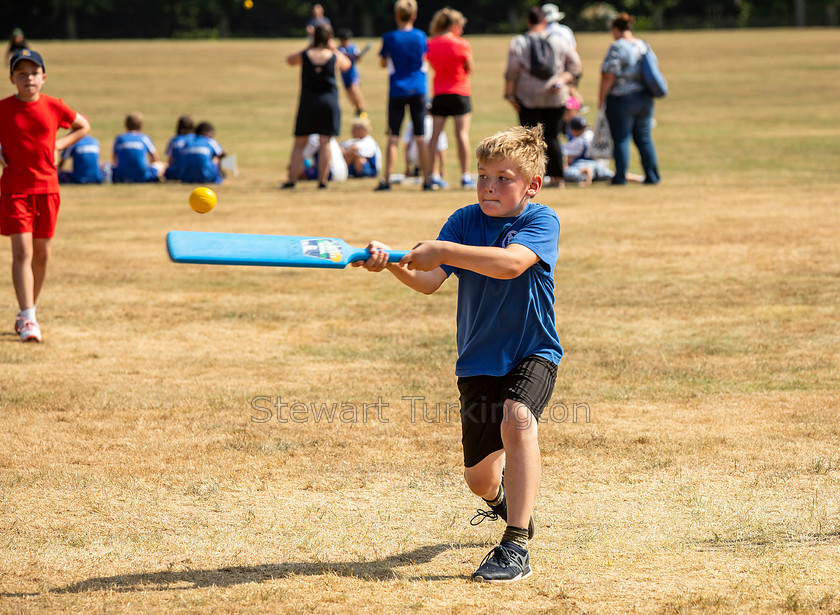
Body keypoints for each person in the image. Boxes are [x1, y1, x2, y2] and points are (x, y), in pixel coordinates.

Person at [353, 124, 563, 583]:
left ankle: (515, 544)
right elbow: (429, 281)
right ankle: (503, 502)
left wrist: (443, 249)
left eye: (503, 178)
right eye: (482, 175)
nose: (489, 186)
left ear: (532, 185)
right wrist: (391, 261)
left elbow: (510, 265)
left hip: (532, 350)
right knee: (480, 480)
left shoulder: (540, 221)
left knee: (517, 417)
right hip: (477, 361)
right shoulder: (464, 219)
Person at [0, 49, 91, 342]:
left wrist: (59, 145)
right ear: (12, 78)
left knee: (42, 254)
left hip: (48, 189)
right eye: (22, 73)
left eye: (34, 73)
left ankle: (28, 311)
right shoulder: (3, 108)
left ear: (44, 77)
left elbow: (83, 125)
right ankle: (28, 317)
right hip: (15, 189)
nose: (29, 78)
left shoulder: (54, 106)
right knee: (22, 252)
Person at [504, 6, 582, 188]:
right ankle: (557, 177)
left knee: (530, 140)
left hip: (528, 96)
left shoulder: (519, 42)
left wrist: (509, 94)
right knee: (553, 136)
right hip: (555, 96)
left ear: (528, 22)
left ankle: (531, 178)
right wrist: (562, 80)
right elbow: (575, 66)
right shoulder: (560, 41)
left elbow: (512, 71)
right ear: (545, 21)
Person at [374, 0, 433, 192]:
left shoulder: (390, 37)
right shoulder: (420, 36)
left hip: (397, 90)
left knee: (393, 136)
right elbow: (424, 58)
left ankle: (386, 179)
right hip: (418, 89)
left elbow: (384, 62)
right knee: (420, 136)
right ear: (414, 16)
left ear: (397, 16)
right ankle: (427, 180)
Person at [282, 23, 351, 190]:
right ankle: (323, 180)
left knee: (299, 142)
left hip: (308, 102)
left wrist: (309, 45)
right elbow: (347, 65)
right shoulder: (333, 55)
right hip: (328, 102)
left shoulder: (306, 54)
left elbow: (290, 60)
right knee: (325, 141)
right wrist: (334, 48)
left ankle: (292, 179)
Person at [597, 12, 660, 185]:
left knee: (621, 138)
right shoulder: (643, 45)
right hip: (645, 99)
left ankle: (620, 177)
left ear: (616, 29)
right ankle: (652, 176)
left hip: (621, 99)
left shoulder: (617, 47)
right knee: (644, 138)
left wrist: (601, 99)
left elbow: (608, 75)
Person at [426, 7, 475, 190]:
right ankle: (465, 175)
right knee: (461, 135)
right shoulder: (462, 43)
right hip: (460, 91)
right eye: (460, 26)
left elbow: (431, 64)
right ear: (454, 25)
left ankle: (432, 175)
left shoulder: (432, 43)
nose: (461, 30)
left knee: (435, 136)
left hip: (439, 93)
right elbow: (469, 68)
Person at [112, 112, 166, 183]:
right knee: (162, 165)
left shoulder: (119, 139)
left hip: (122, 177)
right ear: (141, 126)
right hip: (143, 177)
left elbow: (115, 160)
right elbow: (154, 158)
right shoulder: (144, 138)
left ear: (126, 125)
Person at [336, 29, 370, 118]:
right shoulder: (338, 49)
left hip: (352, 73)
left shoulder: (353, 47)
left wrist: (357, 57)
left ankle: (362, 110)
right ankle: (357, 109)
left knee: (354, 89)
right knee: (349, 93)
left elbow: (358, 58)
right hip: (344, 74)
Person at [164, 115, 194, 181]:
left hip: (174, 173)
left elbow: (170, 160)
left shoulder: (174, 139)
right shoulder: (194, 139)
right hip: (190, 173)